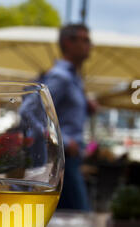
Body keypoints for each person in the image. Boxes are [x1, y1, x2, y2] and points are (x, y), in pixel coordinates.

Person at [41, 23, 97, 211]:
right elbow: (36, 112)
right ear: (68, 42)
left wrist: (85, 106)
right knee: (82, 214)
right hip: (64, 157)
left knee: (60, 216)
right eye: (86, 40)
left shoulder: (74, 78)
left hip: (70, 157)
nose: (90, 45)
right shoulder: (61, 77)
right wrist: (65, 140)